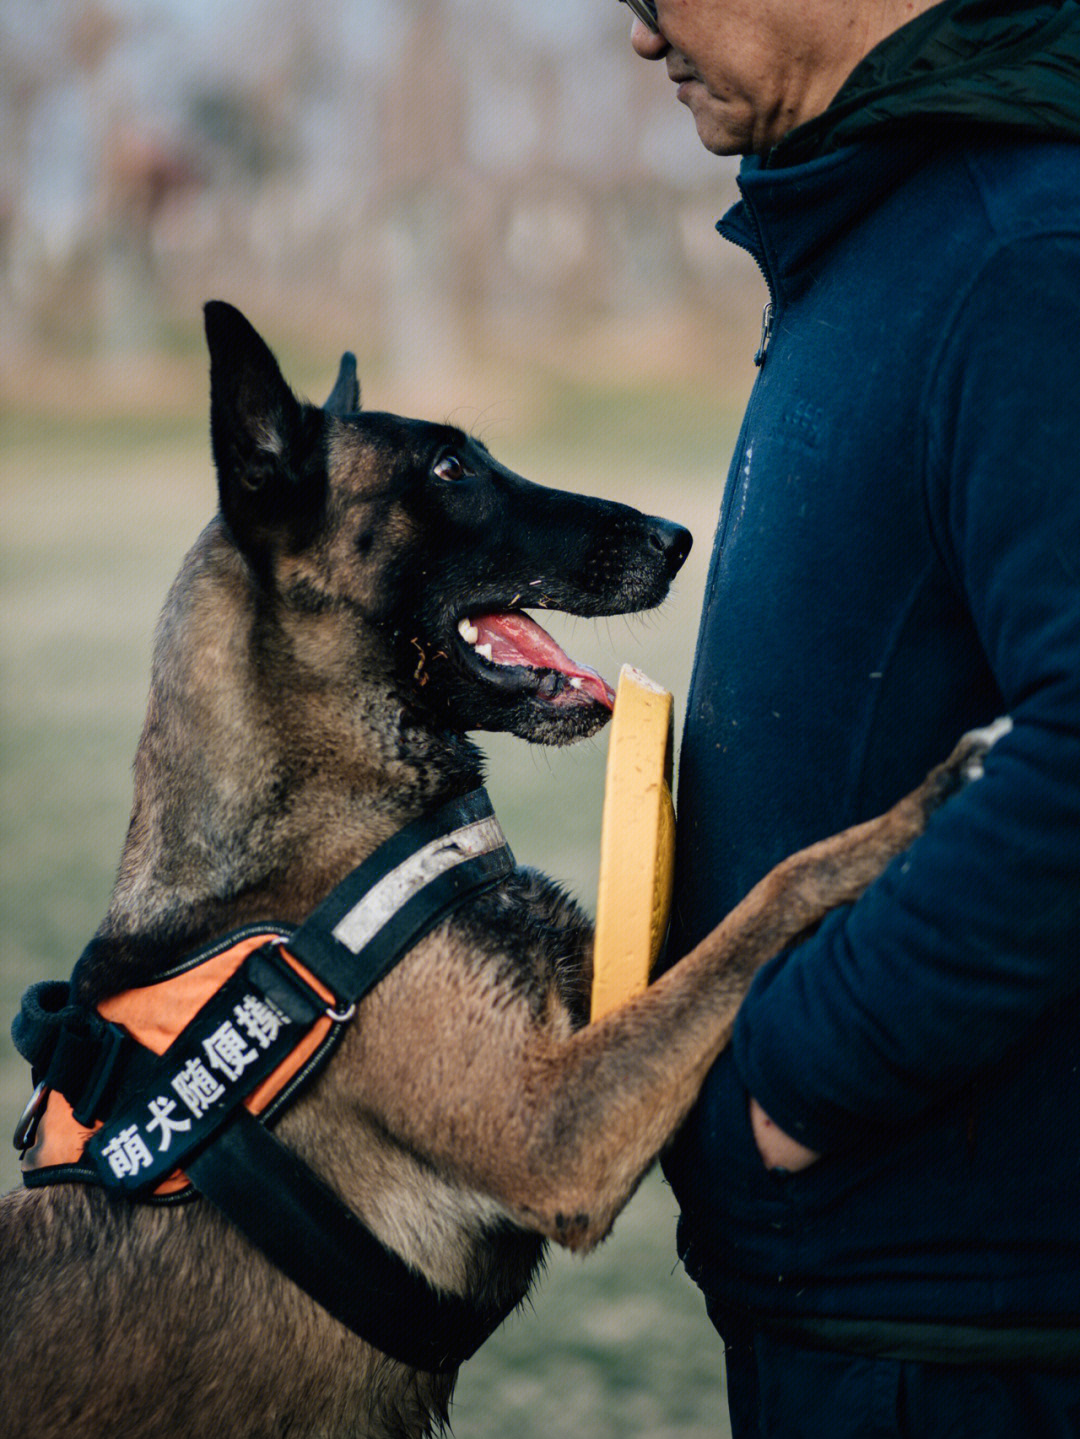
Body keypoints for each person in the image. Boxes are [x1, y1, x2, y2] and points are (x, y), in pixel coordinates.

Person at [619, 0, 1080, 1434]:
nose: (639, 37)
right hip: (869, 1313)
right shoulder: (897, 228)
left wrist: (812, 1068)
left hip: (966, 1340)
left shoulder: (1024, 252)